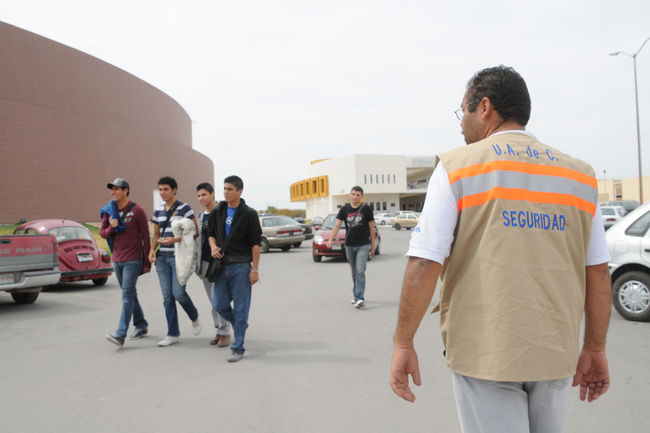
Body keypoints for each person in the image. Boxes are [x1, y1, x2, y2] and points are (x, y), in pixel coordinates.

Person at [390, 66, 612, 433]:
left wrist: (403, 342)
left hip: (486, 352)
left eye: (462, 110)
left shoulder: (458, 168)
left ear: (485, 107)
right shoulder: (578, 176)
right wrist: (595, 347)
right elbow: (598, 271)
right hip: (554, 353)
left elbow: (425, 263)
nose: (460, 122)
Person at [208, 175, 261, 362]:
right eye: (224, 188)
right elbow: (211, 234)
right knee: (218, 305)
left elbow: (255, 244)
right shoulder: (217, 211)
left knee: (241, 308)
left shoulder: (249, 214)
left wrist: (255, 270)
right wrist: (213, 247)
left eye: (230, 189)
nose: (226, 192)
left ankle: (238, 347)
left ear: (240, 191)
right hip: (221, 266)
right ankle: (240, 325)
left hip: (241, 266)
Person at [149, 176, 201, 347]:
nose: (162, 193)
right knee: (167, 298)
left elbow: (194, 232)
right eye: (160, 189)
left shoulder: (184, 208)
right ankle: (172, 334)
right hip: (162, 259)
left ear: (174, 190)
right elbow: (156, 235)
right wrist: (152, 250)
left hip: (179, 257)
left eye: (166, 189)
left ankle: (194, 316)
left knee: (178, 293)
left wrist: (175, 240)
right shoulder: (158, 210)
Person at [101, 178, 152, 347]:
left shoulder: (137, 210)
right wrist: (112, 226)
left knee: (126, 295)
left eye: (117, 189)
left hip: (133, 259)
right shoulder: (109, 211)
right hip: (117, 259)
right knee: (130, 294)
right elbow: (103, 233)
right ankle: (141, 324)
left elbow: (146, 236)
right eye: (112, 189)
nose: (113, 192)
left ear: (125, 191)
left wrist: (147, 262)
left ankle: (120, 334)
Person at [327, 186, 376, 308]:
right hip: (349, 245)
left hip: (363, 245)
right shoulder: (344, 209)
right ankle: (356, 294)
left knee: (360, 271)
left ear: (361, 196)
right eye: (353, 194)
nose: (355, 197)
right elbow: (337, 225)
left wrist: (373, 246)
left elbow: (372, 228)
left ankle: (359, 298)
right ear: (350, 195)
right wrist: (331, 239)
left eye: (358, 195)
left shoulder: (367, 209)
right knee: (354, 272)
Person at [195, 182, 231, 347]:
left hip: (218, 262)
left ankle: (225, 332)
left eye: (204, 194)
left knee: (219, 299)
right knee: (212, 300)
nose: (201, 198)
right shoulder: (200, 215)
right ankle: (219, 329)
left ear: (212, 194)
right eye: (198, 196)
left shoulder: (222, 212)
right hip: (204, 262)